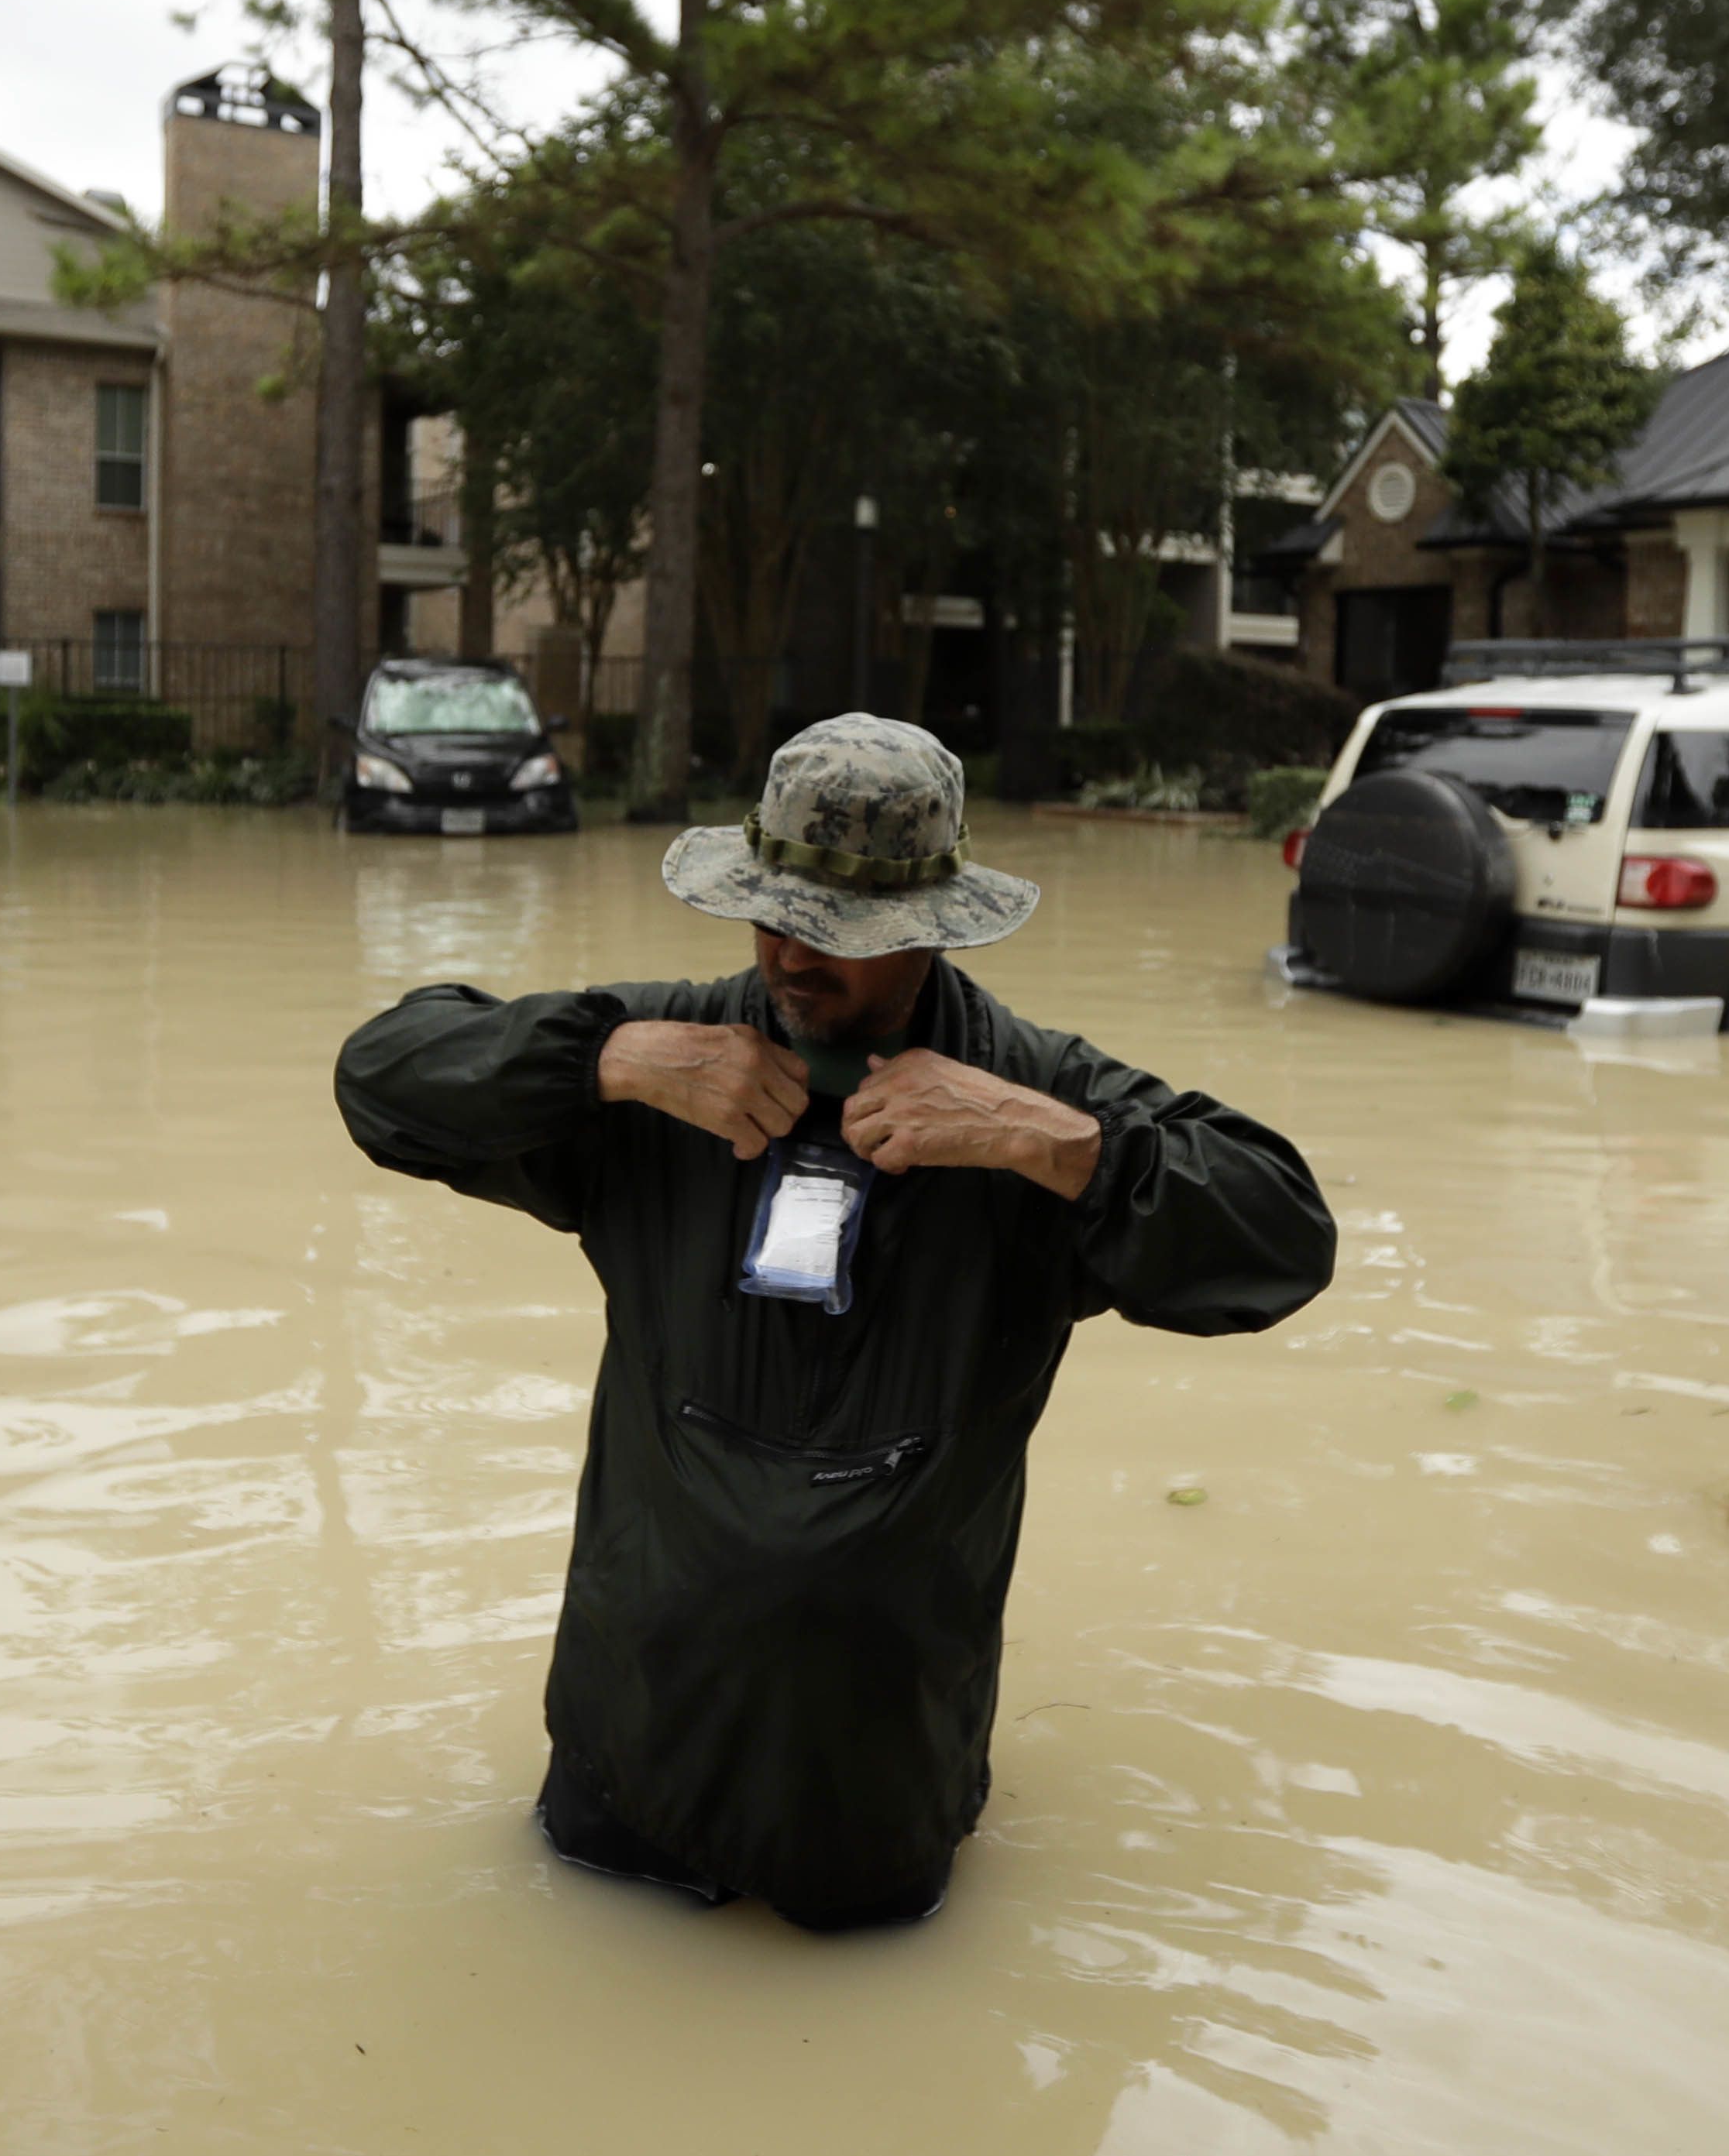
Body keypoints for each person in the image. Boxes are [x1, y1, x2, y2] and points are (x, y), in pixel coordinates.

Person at [332, 712, 1335, 1928]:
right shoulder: (668, 1062)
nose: (794, 958)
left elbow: (1284, 1235)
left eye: (840, 935)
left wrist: (1048, 1144)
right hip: (630, 1749)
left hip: (878, 1778)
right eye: (773, 916)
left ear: (929, 927)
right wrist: (603, 1058)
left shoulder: (1034, 1099)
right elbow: (383, 1077)